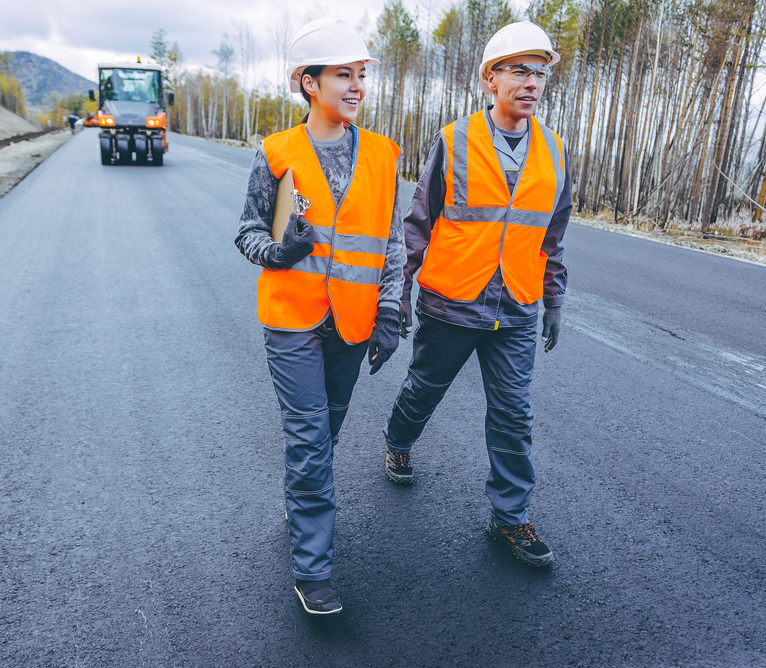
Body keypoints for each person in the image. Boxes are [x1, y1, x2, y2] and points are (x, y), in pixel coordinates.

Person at [381, 21, 570, 568]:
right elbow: (417, 224)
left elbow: (551, 236)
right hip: (452, 300)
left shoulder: (554, 151)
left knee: (513, 414)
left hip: (515, 307)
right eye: (519, 71)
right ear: (491, 78)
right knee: (424, 390)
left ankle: (509, 519)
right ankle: (398, 439)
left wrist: (553, 299)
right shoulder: (455, 139)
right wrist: (397, 297)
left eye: (540, 74)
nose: (532, 83)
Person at [234, 18, 404, 615]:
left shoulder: (384, 155)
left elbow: (391, 243)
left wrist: (390, 311)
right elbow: (248, 230)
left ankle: (302, 500)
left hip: (353, 325)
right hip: (292, 320)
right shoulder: (277, 153)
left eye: (361, 75)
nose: (356, 86)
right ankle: (314, 570)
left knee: (326, 431)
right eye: (342, 75)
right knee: (309, 440)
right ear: (309, 83)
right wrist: (277, 252)